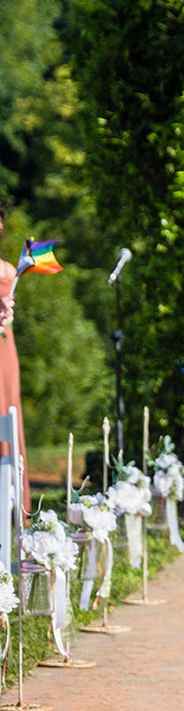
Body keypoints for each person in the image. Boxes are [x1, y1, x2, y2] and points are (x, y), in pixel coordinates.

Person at [0, 204, 30, 517]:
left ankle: (11, 506)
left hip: (3, 347)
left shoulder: (8, 270)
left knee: (6, 409)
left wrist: (6, 313)